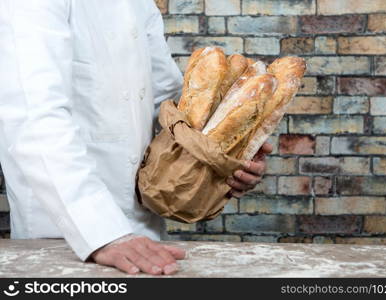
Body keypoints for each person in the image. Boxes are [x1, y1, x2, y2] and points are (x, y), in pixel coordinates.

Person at [0, 0, 272, 275]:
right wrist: (103, 233)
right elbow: (34, 120)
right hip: (68, 236)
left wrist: (222, 158)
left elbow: (166, 102)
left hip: (144, 236)